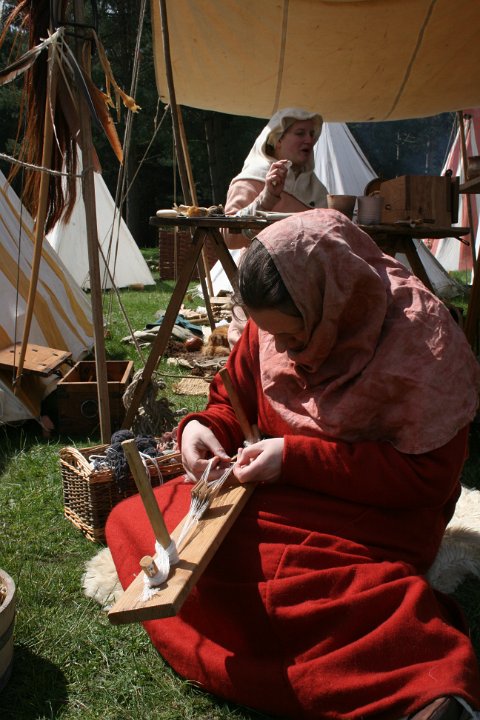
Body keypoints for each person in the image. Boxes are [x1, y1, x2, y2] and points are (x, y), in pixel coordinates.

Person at [106, 209, 480, 720]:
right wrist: (202, 429)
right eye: (270, 336)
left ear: (334, 304)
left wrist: (295, 458)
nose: (279, 349)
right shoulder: (275, 327)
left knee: (301, 577)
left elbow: (427, 480)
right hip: (282, 491)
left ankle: (424, 683)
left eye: (294, 337)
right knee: (135, 521)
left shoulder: (424, 344)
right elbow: (233, 400)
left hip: (381, 512)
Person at [223, 107, 328, 249]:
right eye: (300, 133)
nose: (309, 140)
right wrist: (265, 200)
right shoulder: (253, 179)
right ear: (278, 140)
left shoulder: (318, 190)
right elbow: (228, 238)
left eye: (311, 134)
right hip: (263, 263)